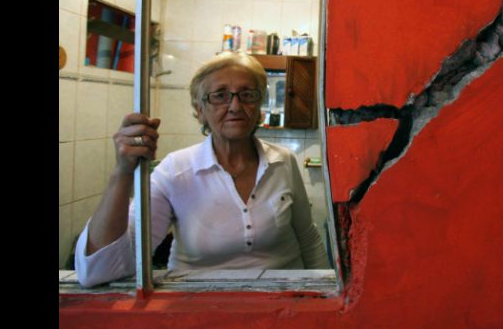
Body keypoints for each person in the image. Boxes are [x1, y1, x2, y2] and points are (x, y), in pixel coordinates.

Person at [75, 52, 329, 287]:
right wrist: (122, 171)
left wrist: (325, 294)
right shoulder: (175, 170)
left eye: (247, 94)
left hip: (282, 299)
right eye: (220, 95)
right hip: (198, 304)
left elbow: (308, 239)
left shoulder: (283, 161)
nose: (235, 106)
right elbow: (99, 271)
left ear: (258, 107)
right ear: (200, 111)